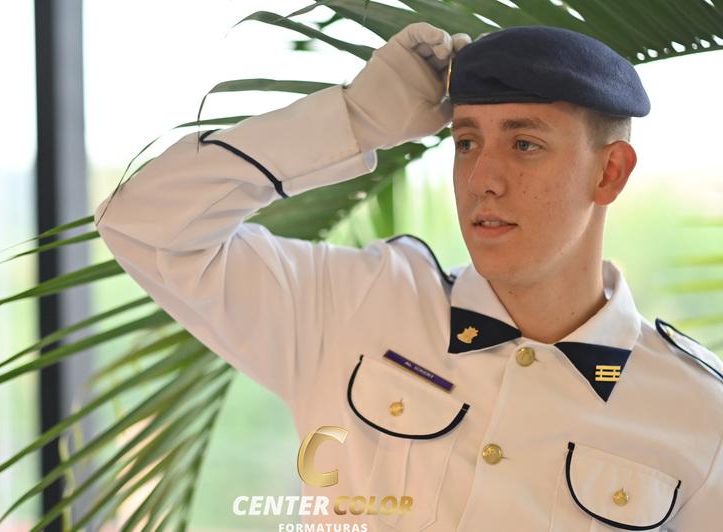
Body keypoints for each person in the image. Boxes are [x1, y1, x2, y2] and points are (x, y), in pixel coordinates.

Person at [93, 21, 722, 531]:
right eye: (467, 143)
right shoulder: (354, 304)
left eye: (524, 144)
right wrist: (353, 119)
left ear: (609, 173)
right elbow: (144, 225)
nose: (482, 180)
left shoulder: (701, 415)